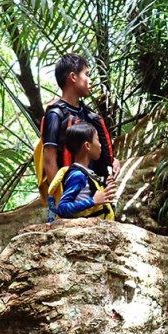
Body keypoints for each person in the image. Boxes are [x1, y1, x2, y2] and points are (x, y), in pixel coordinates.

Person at [39, 55, 121, 215]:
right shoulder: (55, 115)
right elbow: (49, 160)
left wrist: (112, 160)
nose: (90, 80)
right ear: (73, 77)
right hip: (75, 195)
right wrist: (60, 202)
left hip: (96, 192)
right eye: (87, 74)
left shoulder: (87, 113)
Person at [48, 123, 116, 220]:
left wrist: (106, 188)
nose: (100, 145)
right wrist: (93, 201)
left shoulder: (86, 172)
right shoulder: (77, 175)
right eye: (97, 140)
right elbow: (62, 208)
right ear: (87, 145)